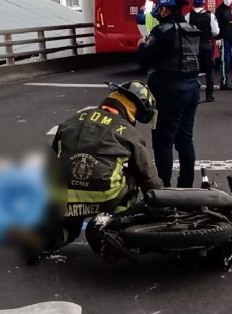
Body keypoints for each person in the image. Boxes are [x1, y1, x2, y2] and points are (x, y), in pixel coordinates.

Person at [37, 81, 163, 254]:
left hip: (63, 195)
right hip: (104, 196)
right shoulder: (128, 132)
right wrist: (161, 199)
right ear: (136, 109)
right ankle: (114, 227)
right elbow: (147, 176)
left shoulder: (71, 121)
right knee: (132, 179)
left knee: (70, 228)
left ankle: (44, 241)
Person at [138, 0, 202, 188]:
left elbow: (144, 60)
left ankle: (164, 187)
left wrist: (141, 46)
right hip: (192, 89)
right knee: (185, 139)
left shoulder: (162, 31)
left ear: (165, 9)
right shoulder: (191, 28)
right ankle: (186, 185)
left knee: (163, 140)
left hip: (168, 91)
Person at [184, 0, 220, 102]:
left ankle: (194, 95)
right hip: (207, 45)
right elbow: (216, 32)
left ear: (193, 4)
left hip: (193, 46)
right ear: (203, 4)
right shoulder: (210, 15)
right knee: (209, 70)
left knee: (194, 71)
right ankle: (209, 95)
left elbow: (185, 30)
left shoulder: (188, 15)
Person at [214, 0, 232, 90]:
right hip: (223, 38)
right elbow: (216, 24)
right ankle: (224, 82)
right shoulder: (220, 10)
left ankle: (225, 80)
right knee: (224, 60)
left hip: (229, 38)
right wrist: (218, 38)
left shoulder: (228, 8)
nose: (228, 0)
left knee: (228, 59)